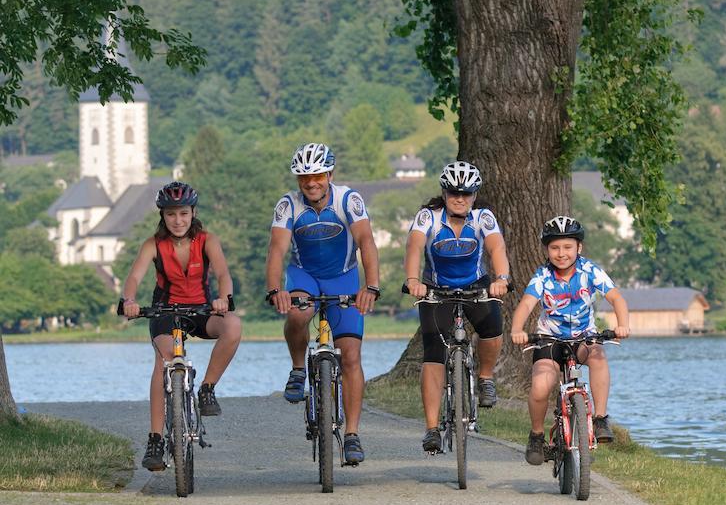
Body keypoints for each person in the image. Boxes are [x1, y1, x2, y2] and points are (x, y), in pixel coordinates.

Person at [265, 142, 380, 465]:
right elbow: (277, 249)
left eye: (316, 176)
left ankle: (353, 434)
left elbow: (366, 241)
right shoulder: (288, 205)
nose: (311, 183)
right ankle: (299, 369)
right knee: (300, 312)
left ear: (329, 173)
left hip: (343, 277)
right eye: (304, 178)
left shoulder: (348, 200)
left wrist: (371, 286)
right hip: (304, 276)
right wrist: (276, 290)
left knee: (351, 357)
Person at [122, 181, 242, 472]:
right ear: (162, 216)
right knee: (164, 359)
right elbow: (134, 277)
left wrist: (224, 299)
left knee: (233, 327)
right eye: (171, 214)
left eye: (184, 213)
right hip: (164, 311)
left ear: (193, 213)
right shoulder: (153, 244)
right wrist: (129, 300)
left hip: (200, 309)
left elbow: (224, 273)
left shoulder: (207, 240)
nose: (178, 220)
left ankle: (207, 389)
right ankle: (155, 440)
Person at [403, 161, 511, 452]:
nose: (459, 198)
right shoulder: (429, 217)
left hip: (476, 284)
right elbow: (414, 246)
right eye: (453, 193)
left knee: (492, 326)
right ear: (444, 193)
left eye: (466, 193)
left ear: (474, 195)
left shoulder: (482, 217)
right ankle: (431, 428)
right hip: (436, 289)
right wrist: (413, 280)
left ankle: (485, 377)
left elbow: (496, 247)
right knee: (434, 353)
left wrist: (501, 278)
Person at [510, 215, 630, 465]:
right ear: (547, 250)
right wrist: (517, 329)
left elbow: (616, 298)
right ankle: (536, 435)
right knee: (541, 386)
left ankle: (599, 419)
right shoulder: (543, 275)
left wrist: (623, 325)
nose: (561, 253)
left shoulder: (590, 270)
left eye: (567, 247)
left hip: (584, 337)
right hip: (549, 340)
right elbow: (526, 303)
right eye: (554, 247)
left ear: (579, 248)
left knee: (598, 357)